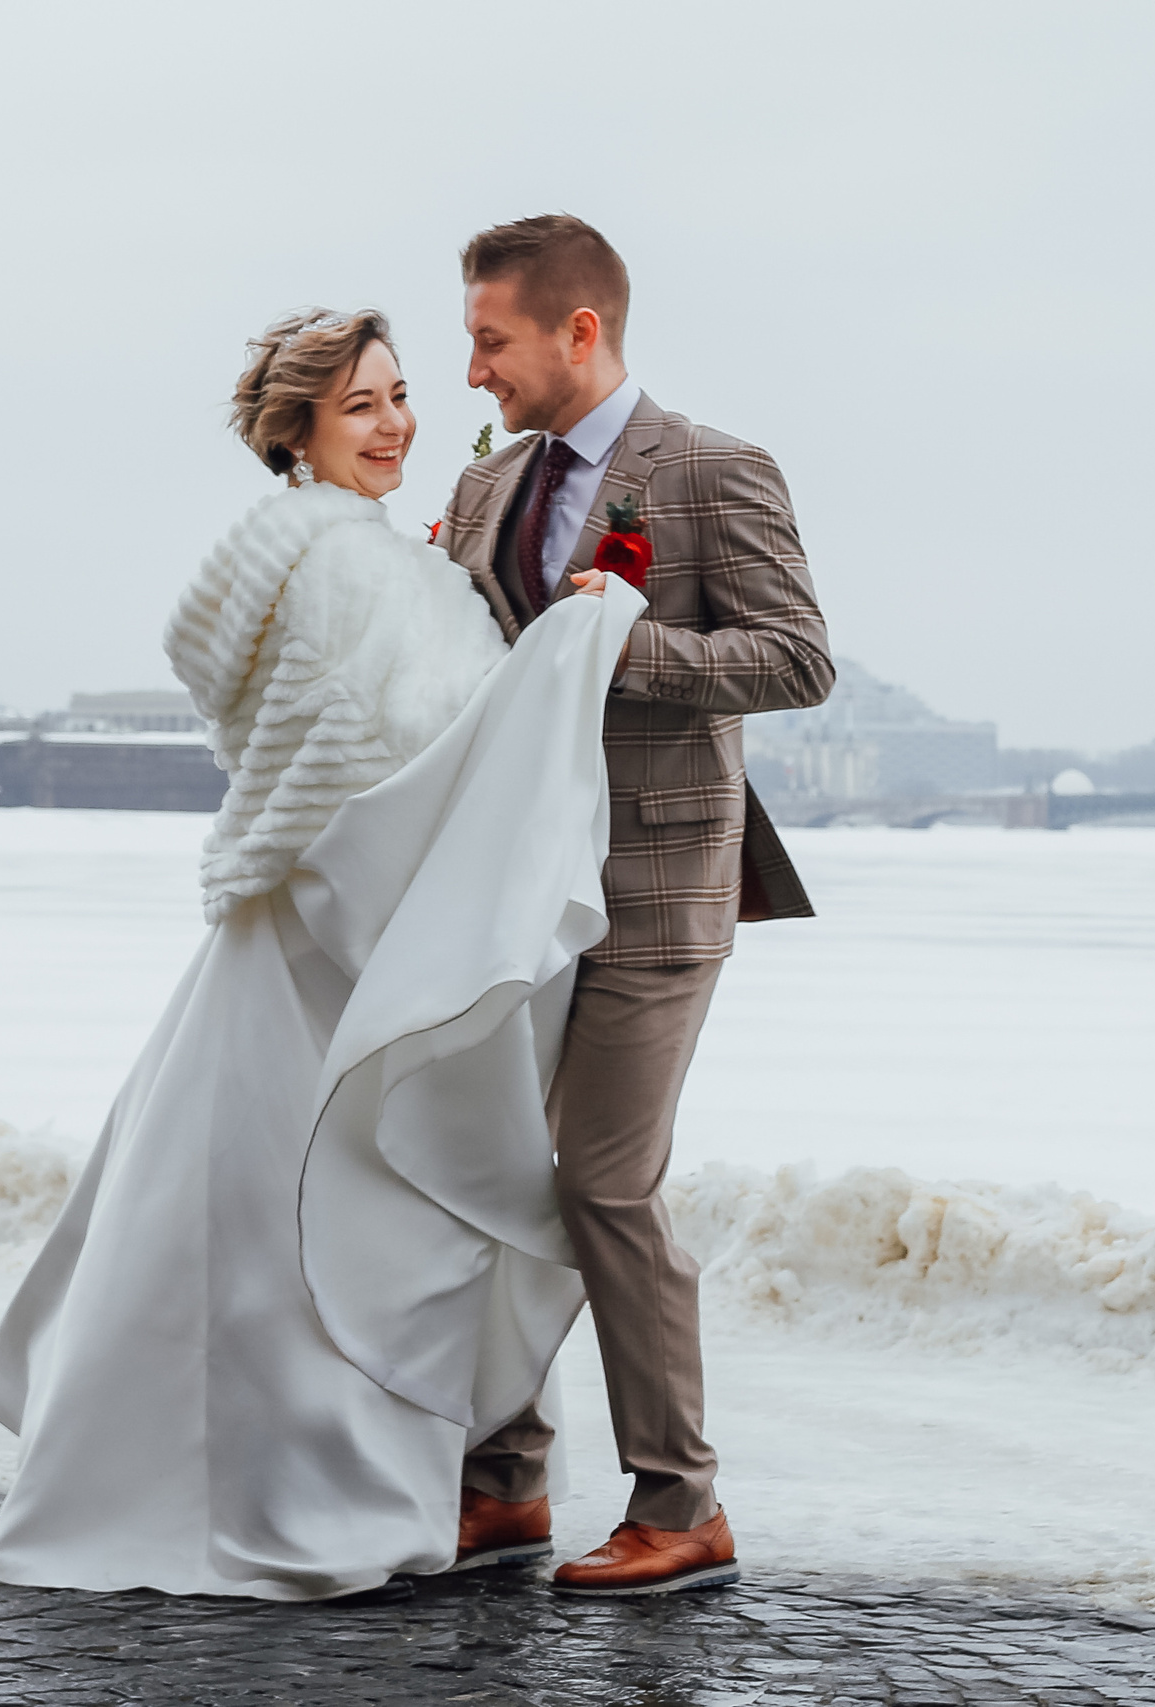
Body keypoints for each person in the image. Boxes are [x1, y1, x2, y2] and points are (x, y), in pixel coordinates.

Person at [0, 307, 644, 1603]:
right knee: (325, 1228)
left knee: (235, 1224)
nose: (396, 425)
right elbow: (404, 747)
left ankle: (218, 1480)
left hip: (275, 931)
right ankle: (295, 1502)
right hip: (333, 942)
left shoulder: (320, 560)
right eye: (362, 407)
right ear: (297, 431)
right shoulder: (349, 569)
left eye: (401, 398)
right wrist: (577, 640)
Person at [436, 215, 834, 1596]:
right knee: (487, 1179)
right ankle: (502, 1488)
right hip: (509, 896)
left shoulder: (714, 471)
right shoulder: (486, 491)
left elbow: (796, 661)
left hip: (658, 888)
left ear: (577, 331)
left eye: (491, 340)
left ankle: (683, 1505)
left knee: (604, 1184)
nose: (472, 368)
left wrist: (623, 639)